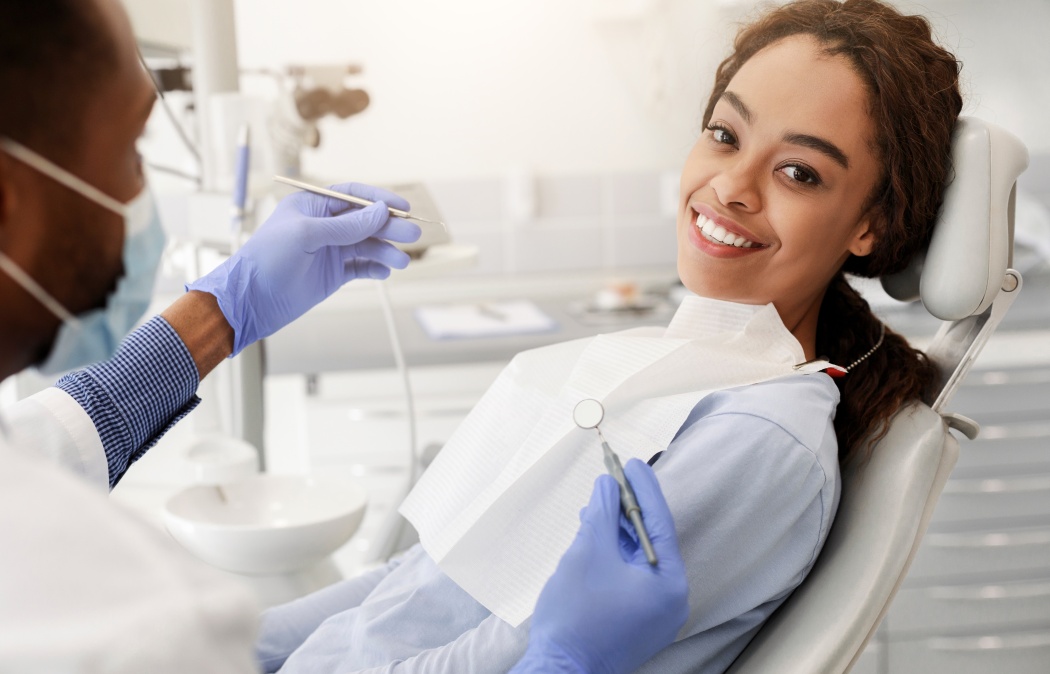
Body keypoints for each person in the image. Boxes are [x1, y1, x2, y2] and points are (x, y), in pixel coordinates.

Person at [255, 0, 959, 672]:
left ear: (871, 224)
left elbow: (512, 650)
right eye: (725, 135)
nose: (732, 187)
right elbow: (431, 573)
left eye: (799, 173)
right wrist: (250, 647)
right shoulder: (697, 365)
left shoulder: (762, 436)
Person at [0, 1, 690, 672]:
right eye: (129, 150)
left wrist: (223, 311)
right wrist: (563, 663)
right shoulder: (126, 628)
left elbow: (46, 442)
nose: (143, 192)